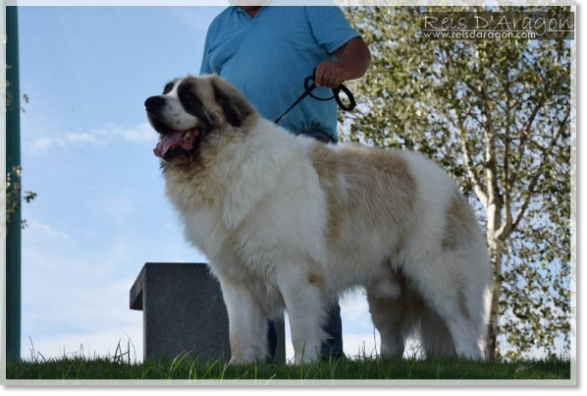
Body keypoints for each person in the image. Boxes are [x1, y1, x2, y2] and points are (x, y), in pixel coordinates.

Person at [199, 4, 371, 361]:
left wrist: (340, 69)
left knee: (307, 260)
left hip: (306, 151)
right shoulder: (218, 27)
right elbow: (204, 99)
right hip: (241, 164)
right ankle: (259, 365)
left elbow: (358, 54)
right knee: (250, 263)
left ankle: (324, 361)